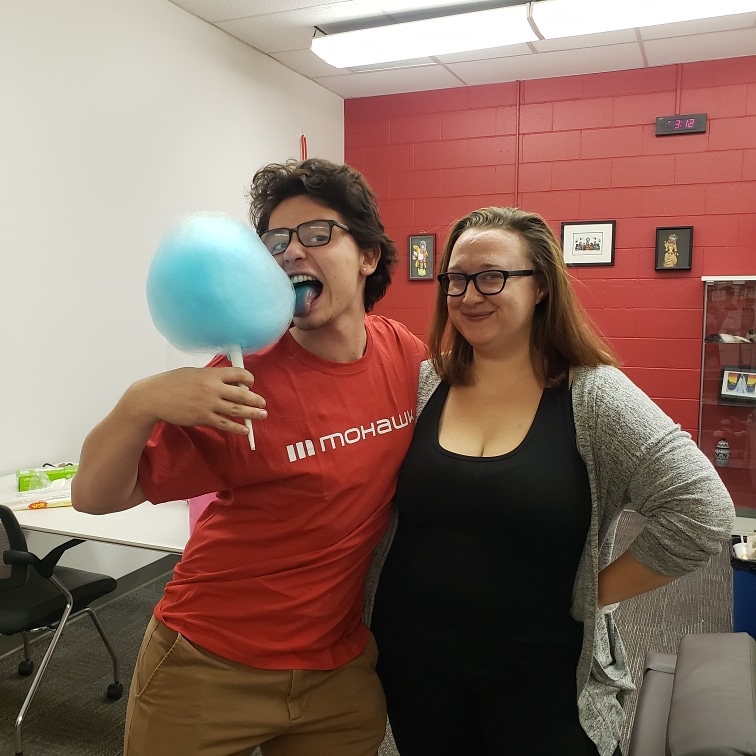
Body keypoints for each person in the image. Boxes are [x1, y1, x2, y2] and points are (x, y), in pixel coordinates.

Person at [71, 158, 426, 756]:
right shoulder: (238, 380)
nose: (292, 252)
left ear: (368, 256)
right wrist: (140, 402)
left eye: (317, 233)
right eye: (276, 241)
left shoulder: (404, 354)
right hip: (210, 663)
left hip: (339, 671)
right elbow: (94, 496)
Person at [367, 206, 735, 756]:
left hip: (543, 676)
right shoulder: (423, 382)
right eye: (456, 279)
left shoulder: (593, 395)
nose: (469, 295)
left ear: (540, 286)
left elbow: (701, 510)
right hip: (417, 664)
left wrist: (593, 594)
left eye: (492, 276)